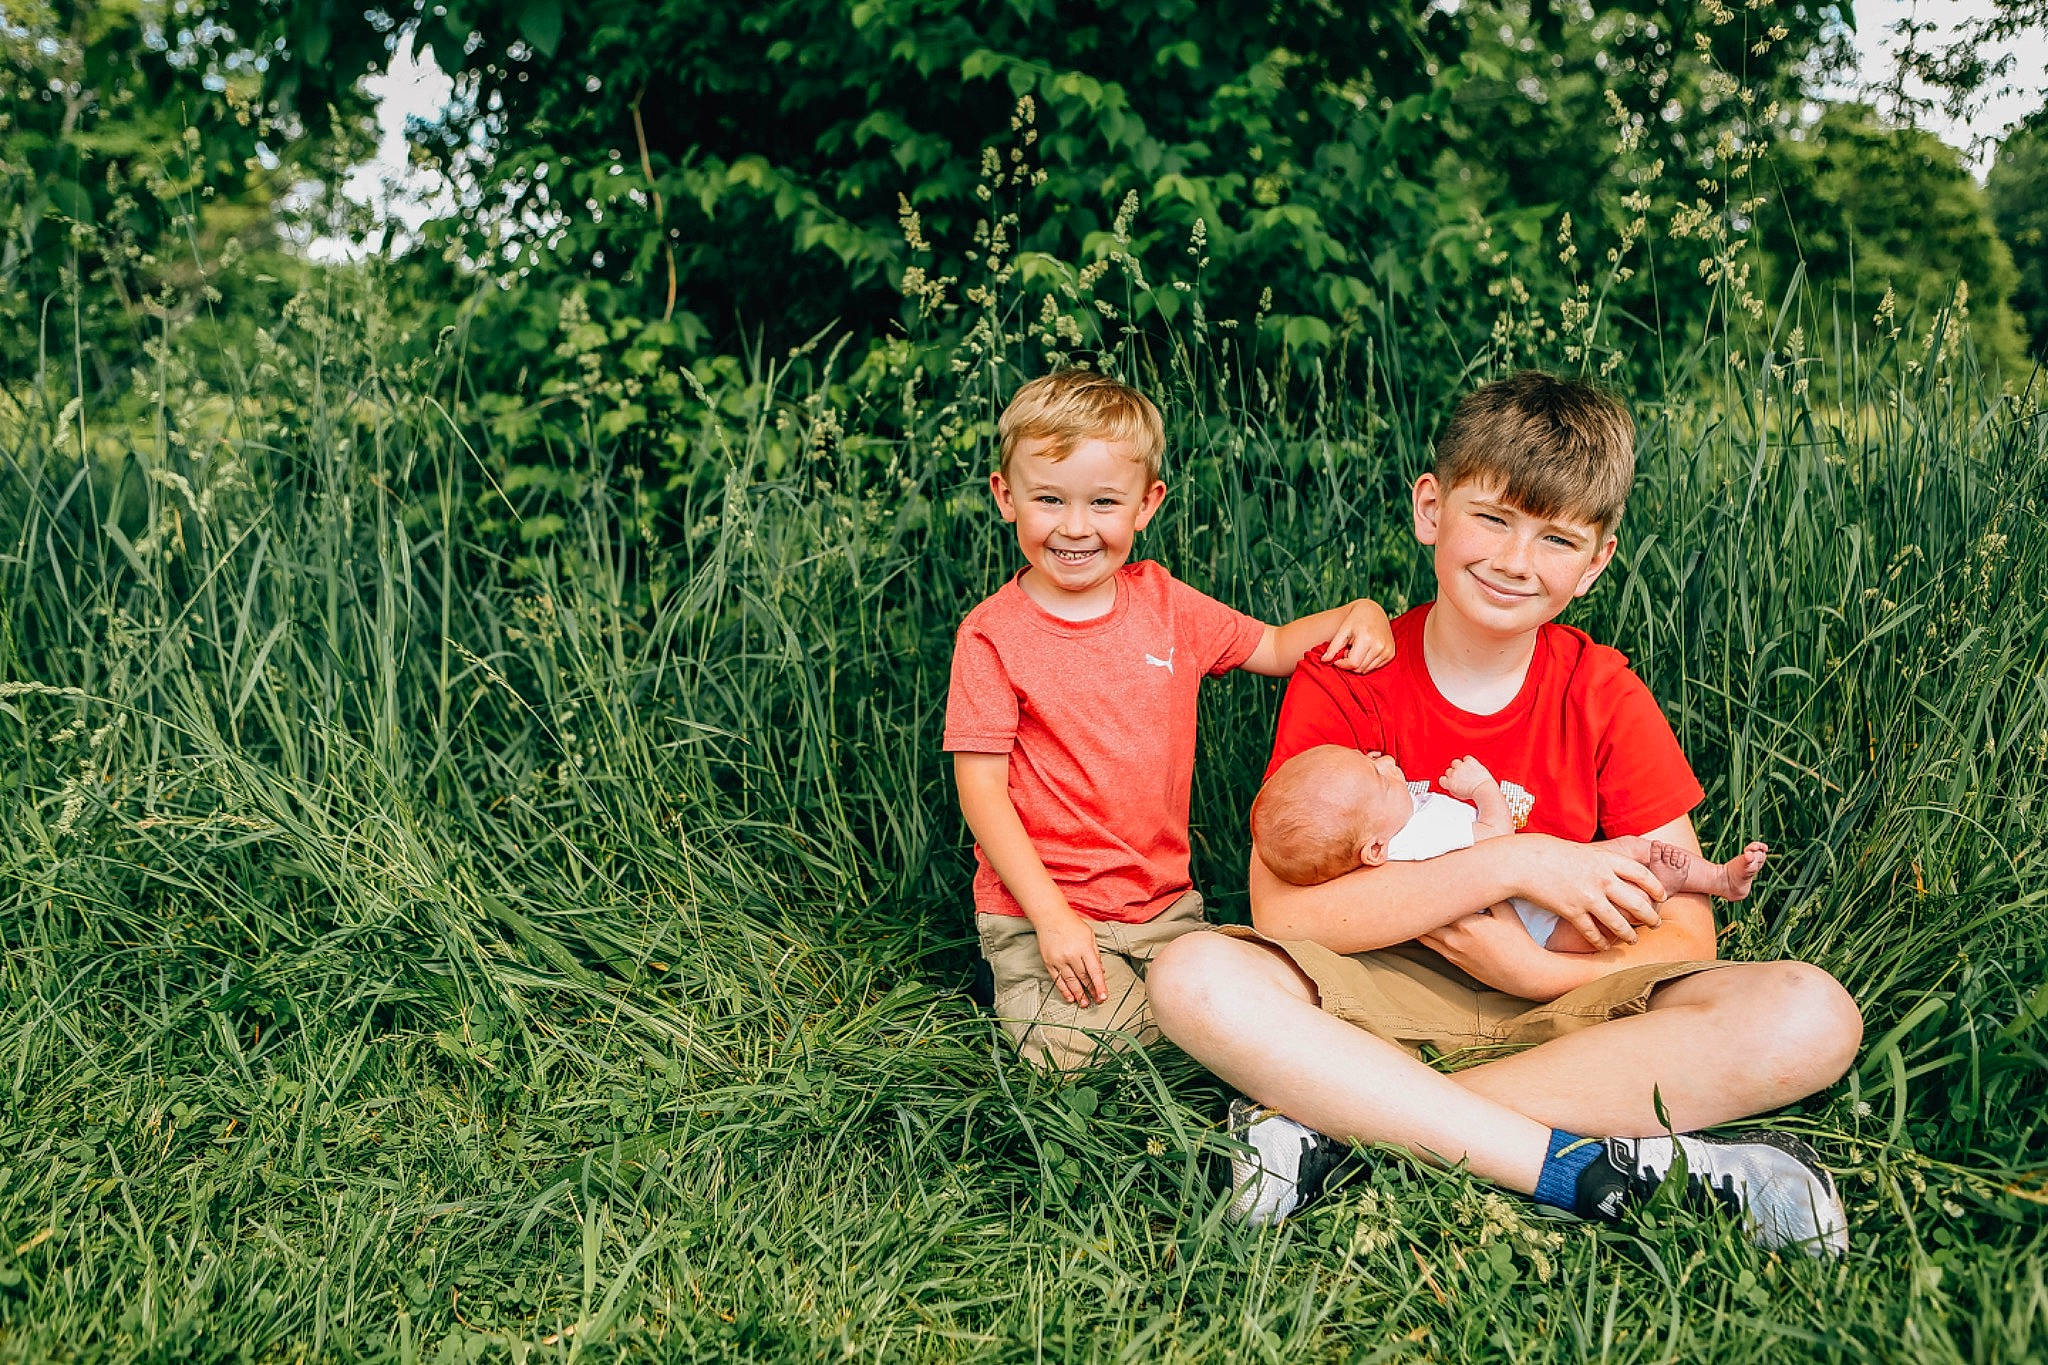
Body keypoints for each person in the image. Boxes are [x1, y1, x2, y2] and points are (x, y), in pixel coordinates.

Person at [1143, 371, 1863, 1254]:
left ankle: (1343, 1126)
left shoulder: (1602, 691)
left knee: (1813, 1011)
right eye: (1492, 519)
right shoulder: (1347, 675)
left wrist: (1530, 972)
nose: (1516, 560)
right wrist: (1511, 863)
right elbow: (1285, 911)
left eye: (1557, 537)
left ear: (1596, 562)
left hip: (1567, 1005)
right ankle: (1594, 1165)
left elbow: (1687, 938)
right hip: (1377, 997)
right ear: (1431, 509)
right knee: (1193, 975)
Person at [944, 369, 1397, 1073]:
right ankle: (1022, 979)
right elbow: (981, 794)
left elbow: (1274, 645)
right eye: (1048, 499)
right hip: (1044, 909)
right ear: (1006, 496)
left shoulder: (1165, 603)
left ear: (1146, 504)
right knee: (1090, 1057)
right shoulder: (992, 636)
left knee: (1225, 1013)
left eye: (1102, 502)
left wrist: (1357, 614)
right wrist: (1053, 918)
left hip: (1162, 907)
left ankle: (1127, 997)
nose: (1074, 526)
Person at [1251, 745, 1770, 952]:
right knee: (1628, 884)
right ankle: (1716, 881)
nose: (1389, 765)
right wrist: (1482, 789)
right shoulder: (1423, 835)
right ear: (1374, 849)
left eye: (1372, 759)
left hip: (1542, 895)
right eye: (1378, 777)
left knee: (1634, 855)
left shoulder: (1385, 830)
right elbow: (1498, 841)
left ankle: (1712, 880)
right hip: (1542, 922)